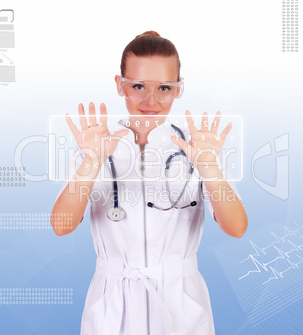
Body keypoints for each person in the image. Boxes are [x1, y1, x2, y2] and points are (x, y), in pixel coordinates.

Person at [51, 31, 247, 335]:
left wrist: (208, 166)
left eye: (165, 88)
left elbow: (236, 228)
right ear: (120, 85)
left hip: (180, 305)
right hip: (112, 304)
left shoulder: (198, 148)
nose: (150, 100)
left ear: (179, 89)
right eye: (138, 86)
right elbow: (61, 226)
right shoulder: (96, 146)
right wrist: (91, 161)